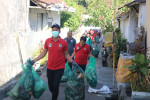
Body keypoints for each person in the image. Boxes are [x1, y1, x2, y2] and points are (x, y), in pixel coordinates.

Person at [29, 24, 78, 100]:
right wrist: (34, 60)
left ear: (59, 31)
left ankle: (54, 98)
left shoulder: (63, 42)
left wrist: (72, 61)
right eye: (53, 30)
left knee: (55, 85)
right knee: (51, 86)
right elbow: (43, 53)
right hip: (50, 68)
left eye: (56, 30)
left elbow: (66, 54)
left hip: (60, 68)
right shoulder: (48, 41)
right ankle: (55, 94)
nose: (54, 31)